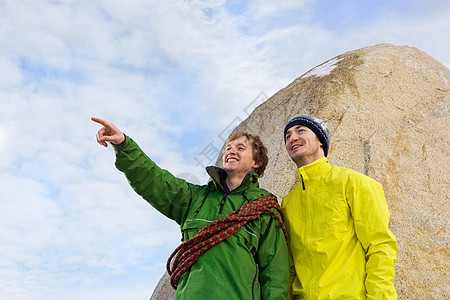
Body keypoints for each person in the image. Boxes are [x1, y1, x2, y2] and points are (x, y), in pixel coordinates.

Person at [92, 117, 289, 300]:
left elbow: (274, 274)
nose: (231, 151)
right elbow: (155, 180)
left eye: (240, 147)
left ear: (257, 162)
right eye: (227, 148)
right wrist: (124, 144)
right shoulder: (195, 198)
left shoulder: (265, 210)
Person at [281, 114, 398, 299]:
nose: (292, 138)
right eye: (287, 136)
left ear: (320, 140)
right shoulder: (287, 203)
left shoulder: (353, 182)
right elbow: (290, 267)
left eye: (300, 130)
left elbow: (380, 246)